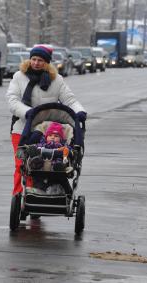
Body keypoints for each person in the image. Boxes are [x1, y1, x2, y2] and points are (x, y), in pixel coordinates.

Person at [6, 45, 87, 195]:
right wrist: (28, 112)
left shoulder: (56, 80)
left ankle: (36, 194)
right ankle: (18, 196)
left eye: (40, 60)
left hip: (48, 130)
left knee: (42, 165)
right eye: (34, 59)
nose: (36, 63)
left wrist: (80, 111)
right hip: (23, 127)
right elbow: (12, 100)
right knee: (22, 164)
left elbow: (69, 100)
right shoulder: (19, 76)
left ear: (47, 63)